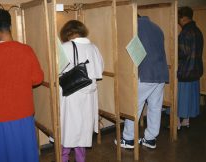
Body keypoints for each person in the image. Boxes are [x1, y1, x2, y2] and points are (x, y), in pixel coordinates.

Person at [0, 9, 44, 162]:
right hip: (23, 112)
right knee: (25, 152)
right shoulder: (26, 50)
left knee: (2, 154)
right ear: (9, 25)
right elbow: (38, 78)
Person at [115, 15, 169, 149]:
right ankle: (150, 139)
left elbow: (133, 53)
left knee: (134, 106)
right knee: (155, 108)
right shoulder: (158, 28)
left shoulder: (134, 27)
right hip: (161, 73)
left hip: (145, 73)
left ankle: (128, 139)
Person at [59, 20, 104, 162]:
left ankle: (63, 158)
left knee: (68, 131)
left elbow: (56, 70)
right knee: (82, 132)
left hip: (71, 96)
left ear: (67, 33)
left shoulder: (65, 47)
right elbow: (100, 69)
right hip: (90, 96)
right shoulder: (94, 48)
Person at [177, 6, 203, 129]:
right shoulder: (198, 31)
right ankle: (186, 121)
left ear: (182, 18)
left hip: (185, 71)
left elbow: (182, 53)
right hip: (196, 70)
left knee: (180, 99)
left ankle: (176, 124)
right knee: (190, 100)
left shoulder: (185, 32)